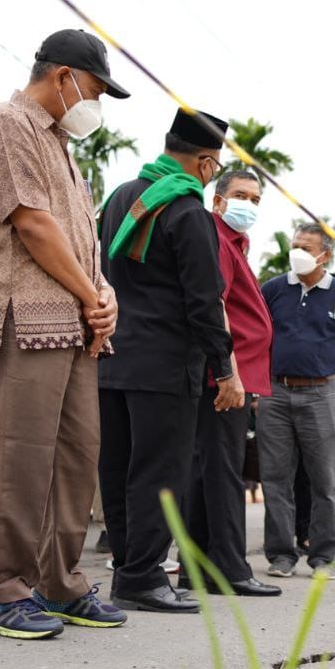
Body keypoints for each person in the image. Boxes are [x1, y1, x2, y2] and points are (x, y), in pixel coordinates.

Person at [0, 30, 129, 639]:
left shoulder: (59, 144)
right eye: (95, 89)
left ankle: (59, 583)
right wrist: (92, 295)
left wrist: (103, 294)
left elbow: (81, 241)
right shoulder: (6, 124)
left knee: (75, 459)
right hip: (22, 316)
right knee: (17, 456)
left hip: (73, 325)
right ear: (62, 77)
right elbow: (32, 225)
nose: (97, 103)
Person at [97, 108, 237, 614]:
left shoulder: (119, 198)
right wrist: (223, 369)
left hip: (111, 360)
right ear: (203, 163)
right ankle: (144, 575)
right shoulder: (187, 210)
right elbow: (203, 301)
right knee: (159, 472)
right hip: (165, 366)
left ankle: (126, 571)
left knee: (117, 468)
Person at [178, 169, 281, 597]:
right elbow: (215, 304)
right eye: (241, 195)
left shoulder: (235, 242)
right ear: (218, 200)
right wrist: (230, 372)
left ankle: (197, 569)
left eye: (256, 199)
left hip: (231, 372)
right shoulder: (217, 239)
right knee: (222, 471)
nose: (249, 205)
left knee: (208, 471)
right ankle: (231, 569)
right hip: (224, 375)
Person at [259, 224, 335, 579]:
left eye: (306, 247)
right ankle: (281, 555)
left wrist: (325, 378)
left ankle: (322, 557)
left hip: (322, 393)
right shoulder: (273, 290)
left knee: (325, 481)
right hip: (274, 394)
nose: (298, 252)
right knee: (275, 478)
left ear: (324, 255)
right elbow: (259, 338)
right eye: (295, 245)